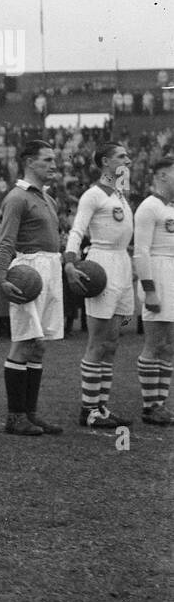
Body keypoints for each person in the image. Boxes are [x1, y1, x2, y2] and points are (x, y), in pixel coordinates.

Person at [0, 140, 66, 436]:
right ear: (30, 162)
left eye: (54, 160)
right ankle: (14, 416)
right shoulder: (17, 198)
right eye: (47, 160)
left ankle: (31, 414)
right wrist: (1, 278)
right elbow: (6, 241)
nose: (54, 165)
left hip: (51, 267)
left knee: (39, 344)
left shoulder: (49, 199)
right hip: (28, 271)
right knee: (24, 340)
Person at [65, 143, 135, 429]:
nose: (127, 160)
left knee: (112, 343)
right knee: (97, 342)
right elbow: (77, 230)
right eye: (121, 156)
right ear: (105, 162)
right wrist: (70, 263)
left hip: (122, 265)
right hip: (100, 266)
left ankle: (101, 407)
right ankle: (88, 409)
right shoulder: (93, 195)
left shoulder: (120, 194)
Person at [134, 157, 174, 425]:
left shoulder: (170, 208)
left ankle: (161, 404)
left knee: (169, 345)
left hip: (171, 274)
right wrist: (149, 290)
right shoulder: (148, 207)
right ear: (161, 175)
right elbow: (141, 251)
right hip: (156, 275)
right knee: (154, 343)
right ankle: (150, 406)